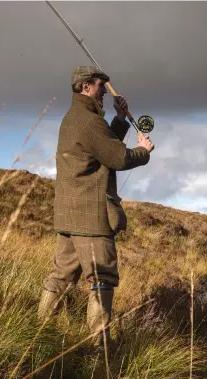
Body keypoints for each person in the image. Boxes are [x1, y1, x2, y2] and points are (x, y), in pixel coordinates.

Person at [38, 66, 154, 346]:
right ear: (86, 86)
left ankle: (38, 334)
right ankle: (98, 348)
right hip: (90, 217)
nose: (104, 91)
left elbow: (100, 147)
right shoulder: (89, 121)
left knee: (60, 277)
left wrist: (120, 119)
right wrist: (144, 152)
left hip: (69, 216)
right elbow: (117, 158)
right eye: (102, 85)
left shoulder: (75, 117)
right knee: (103, 278)